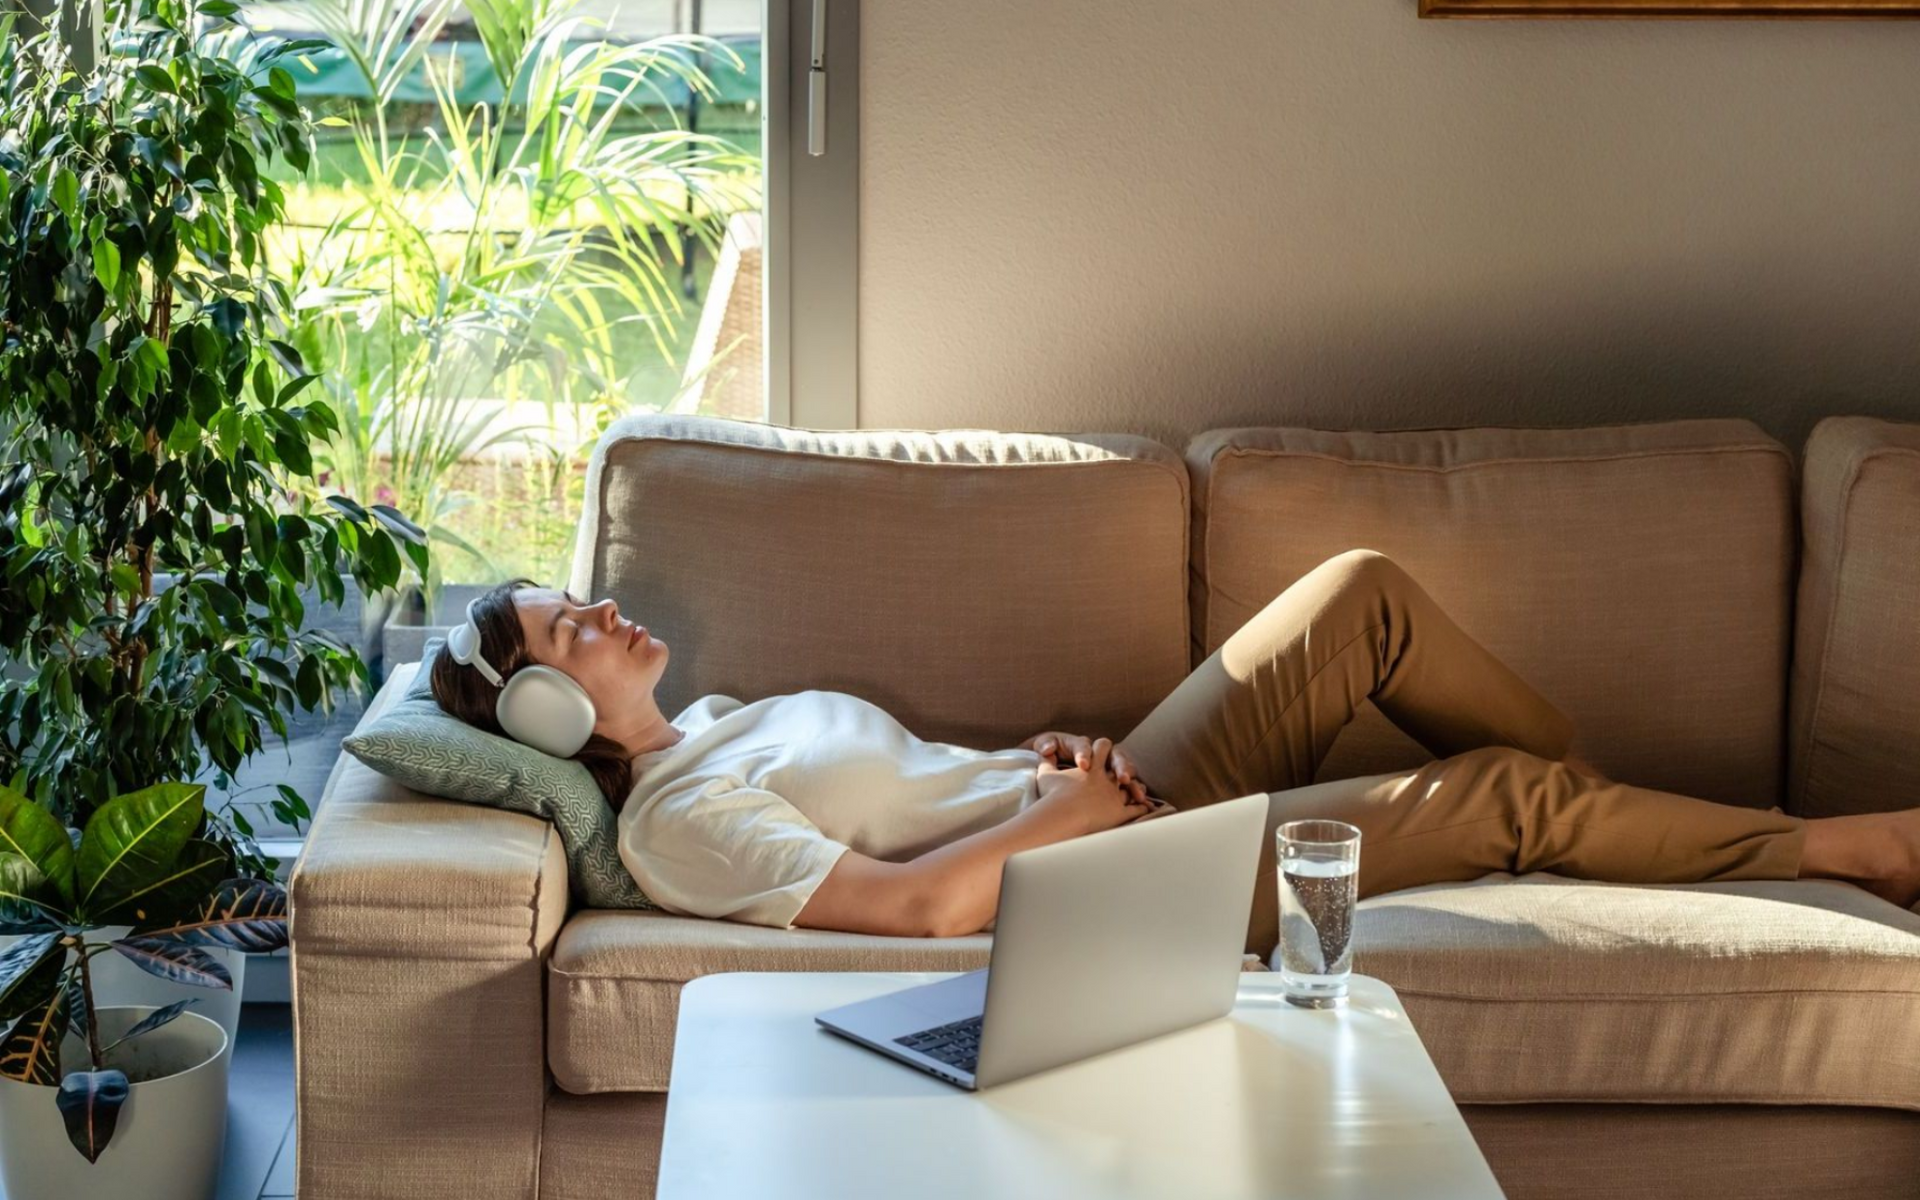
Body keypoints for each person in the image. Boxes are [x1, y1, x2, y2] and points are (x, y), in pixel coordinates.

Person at [430, 550, 1920, 954]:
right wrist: (1068, 817)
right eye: (571, 634)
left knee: (1361, 598)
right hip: (1114, 881)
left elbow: (910, 798)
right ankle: (1855, 847)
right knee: (1495, 801)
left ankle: (1610, 821)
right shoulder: (681, 820)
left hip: (1099, 797)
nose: (606, 613)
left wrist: (1045, 765)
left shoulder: (717, 723)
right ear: (547, 718)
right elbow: (919, 911)